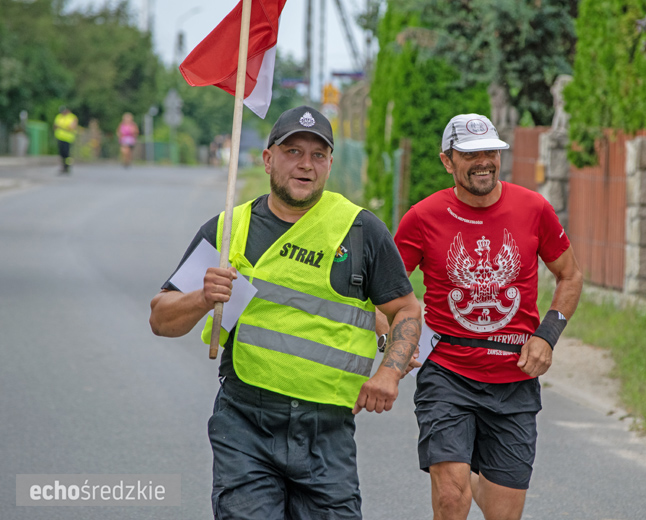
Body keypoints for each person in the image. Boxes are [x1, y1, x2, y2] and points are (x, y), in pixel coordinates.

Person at [149, 105, 421, 520]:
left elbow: (405, 308)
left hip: (327, 431)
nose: (305, 165)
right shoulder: (229, 229)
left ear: (330, 163)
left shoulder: (361, 230)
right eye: (293, 151)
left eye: (317, 155)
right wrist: (202, 298)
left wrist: (389, 372)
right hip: (246, 422)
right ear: (268, 158)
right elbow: (160, 318)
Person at [393, 113, 583, 520]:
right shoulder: (422, 218)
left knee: (502, 513)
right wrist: (394, 342)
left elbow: (570, 274)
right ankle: (463, 482)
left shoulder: (533, 208)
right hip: (447, 372)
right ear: (448, 161)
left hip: (514, 379)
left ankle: (477, 479)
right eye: (471, 154)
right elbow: (386, 293)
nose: (484, 161)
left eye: (491, 152)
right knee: (450, 497)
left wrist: (547, 336)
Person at [53, 106, 78, 174]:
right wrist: (65, 127)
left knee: (67, 154)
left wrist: (61, 127)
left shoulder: (72, 117)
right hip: (60, 138)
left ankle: (67, 166)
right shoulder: (59, 116)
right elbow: (55, 126)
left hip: (68, 139)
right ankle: (63, 167)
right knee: (61, 153)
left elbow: (72, 127)